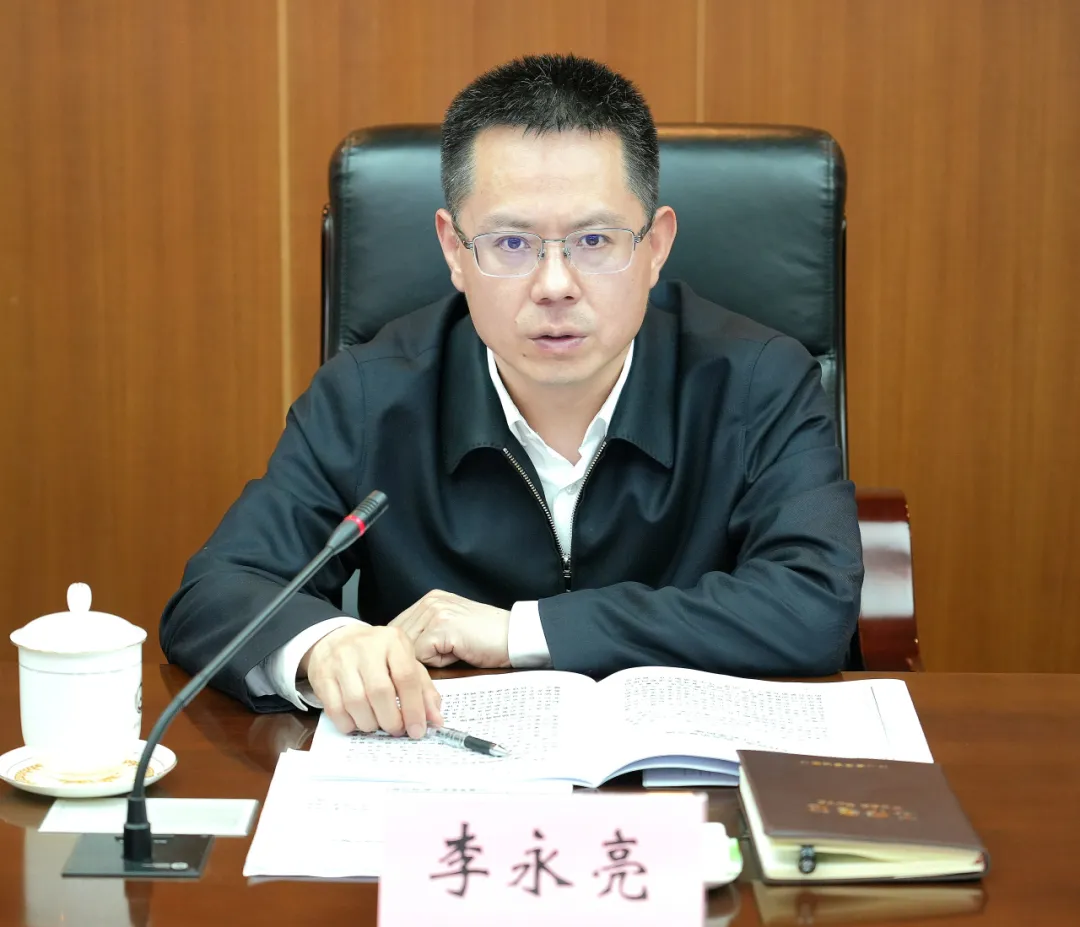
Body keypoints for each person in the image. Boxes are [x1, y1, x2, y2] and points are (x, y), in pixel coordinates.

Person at [160, 53, 863, 743]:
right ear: (454, 250)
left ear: (655, 247)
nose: (555, 285)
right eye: (511, 243)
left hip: (683, 786)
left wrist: (522, 631)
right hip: (445, 775)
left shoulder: (761, 381)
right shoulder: (368, 395)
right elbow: (219, 589)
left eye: (595, 239)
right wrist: (325, 645)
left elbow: (811, 604)